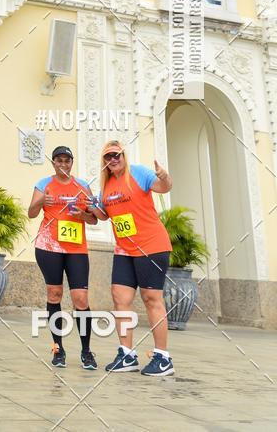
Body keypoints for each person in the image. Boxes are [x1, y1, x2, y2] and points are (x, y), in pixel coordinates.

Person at [90, 140, 174, 377]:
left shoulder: (138, 173)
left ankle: (163, 357)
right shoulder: (106, 186)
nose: (113, 160)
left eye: (116, 155)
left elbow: (163, 187)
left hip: (152, 245)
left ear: (124, 155)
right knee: (120, 298)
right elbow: (104, 215)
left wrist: (165, 176)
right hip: (125, 249)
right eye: (108, 157)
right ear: (104, 162)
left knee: (151, 299)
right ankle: (127, 355)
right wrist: (91, 208)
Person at [28, 145, 98, 369]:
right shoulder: (43, 184)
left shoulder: (83, 186)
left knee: (81, 299)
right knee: (54, 294)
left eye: (67, 161)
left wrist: (84, 214)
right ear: (53, 163)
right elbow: (31, 212)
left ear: (72, 163)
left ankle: (87, 352)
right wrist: (42, 202)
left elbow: (95, 219)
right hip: (48, 247)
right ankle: (58, 350)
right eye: (59, 160)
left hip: (76, 249)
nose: (63, 164)